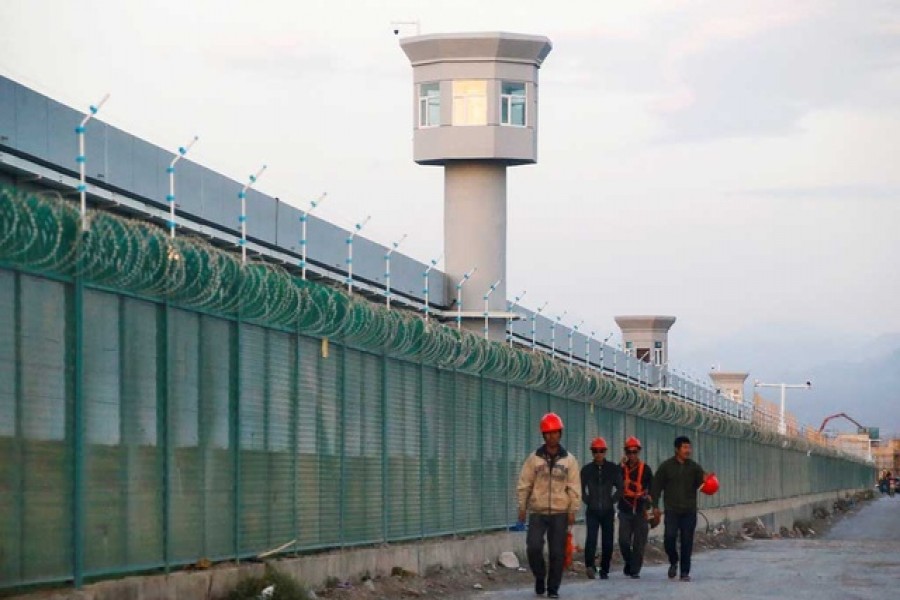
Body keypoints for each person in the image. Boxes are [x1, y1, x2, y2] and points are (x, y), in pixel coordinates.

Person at [517, 412, 581, 598]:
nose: (552, 437)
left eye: (555, 433)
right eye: (548, 433)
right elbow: (524, 484)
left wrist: (573, 509)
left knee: (557, 552)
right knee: (534, 547)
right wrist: (522, 507)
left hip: (560, 512)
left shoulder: (569, 460)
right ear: (543, 435)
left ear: (560, 434)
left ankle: (553, 588)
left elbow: (574, 487)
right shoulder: (534, 459)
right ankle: (539, 576)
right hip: (538, 511)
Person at [651, 435, 707, 582]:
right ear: (677, 449)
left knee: (687, 541)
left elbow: (705, 483)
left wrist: (708, 481)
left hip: (689, 511)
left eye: (689, 447)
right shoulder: (666, 467)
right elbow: (656, 487)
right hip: (672, 511)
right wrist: (655, 506)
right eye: (684, 447)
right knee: (669, 538)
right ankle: (673, 561)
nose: (688, 451)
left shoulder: (694, 467)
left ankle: (684, 572)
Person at [580, 437, 622, 580]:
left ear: (605, 452)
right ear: (592, 452)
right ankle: (590, 566)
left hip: (608, 511)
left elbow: (620, 487)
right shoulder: (587, 470)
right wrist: (588, 501)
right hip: (592, 511)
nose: (598, 454)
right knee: (591, 539)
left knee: (607, 541)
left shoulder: (612, 469)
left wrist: (612, 500)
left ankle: (605, 569)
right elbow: (580, 488)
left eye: (601, 451)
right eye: (596, 451)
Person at [617, 436, 653, 579]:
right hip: (625, 510)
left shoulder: (646, 469)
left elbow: (653, 487)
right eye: (629, 452)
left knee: (639, 542)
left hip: (640, 510)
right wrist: (619, 465)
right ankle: (630, 562)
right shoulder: (621, 469)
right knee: (623, 541)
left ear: (638, 452)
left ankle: (635, 569)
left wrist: (650, 501)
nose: (632, 455)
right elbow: (612, 479)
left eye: (634, 452)